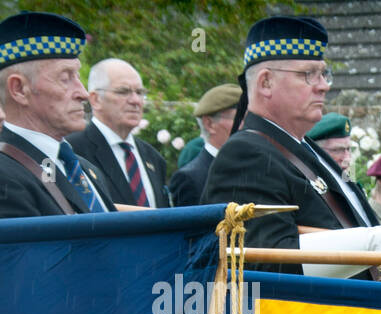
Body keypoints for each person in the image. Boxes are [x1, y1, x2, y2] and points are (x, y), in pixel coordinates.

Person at [203, 16, 381, 277]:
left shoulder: (304, 148)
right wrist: (368, 244)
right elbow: (263, 263)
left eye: (324, 73)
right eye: (309, 74)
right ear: (265, 83)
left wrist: (377, 235)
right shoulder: (245, 155)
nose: (324, 86)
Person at [0, 11, 116, 218]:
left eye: (78, 77)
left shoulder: (85, 169)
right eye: (65, 78)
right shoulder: (5, 176)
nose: (82, 93)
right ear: (18, 89)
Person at [68, 58, 169, 208]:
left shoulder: (152, 157)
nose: (136, 100)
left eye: (140, 92)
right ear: (95, 100)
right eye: (123, 92)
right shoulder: (73, 151)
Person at [168, 83, 239, 207]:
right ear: (209, 124)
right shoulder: (190, 178)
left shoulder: (253, 166)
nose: (247, 124)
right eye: (238, 118)